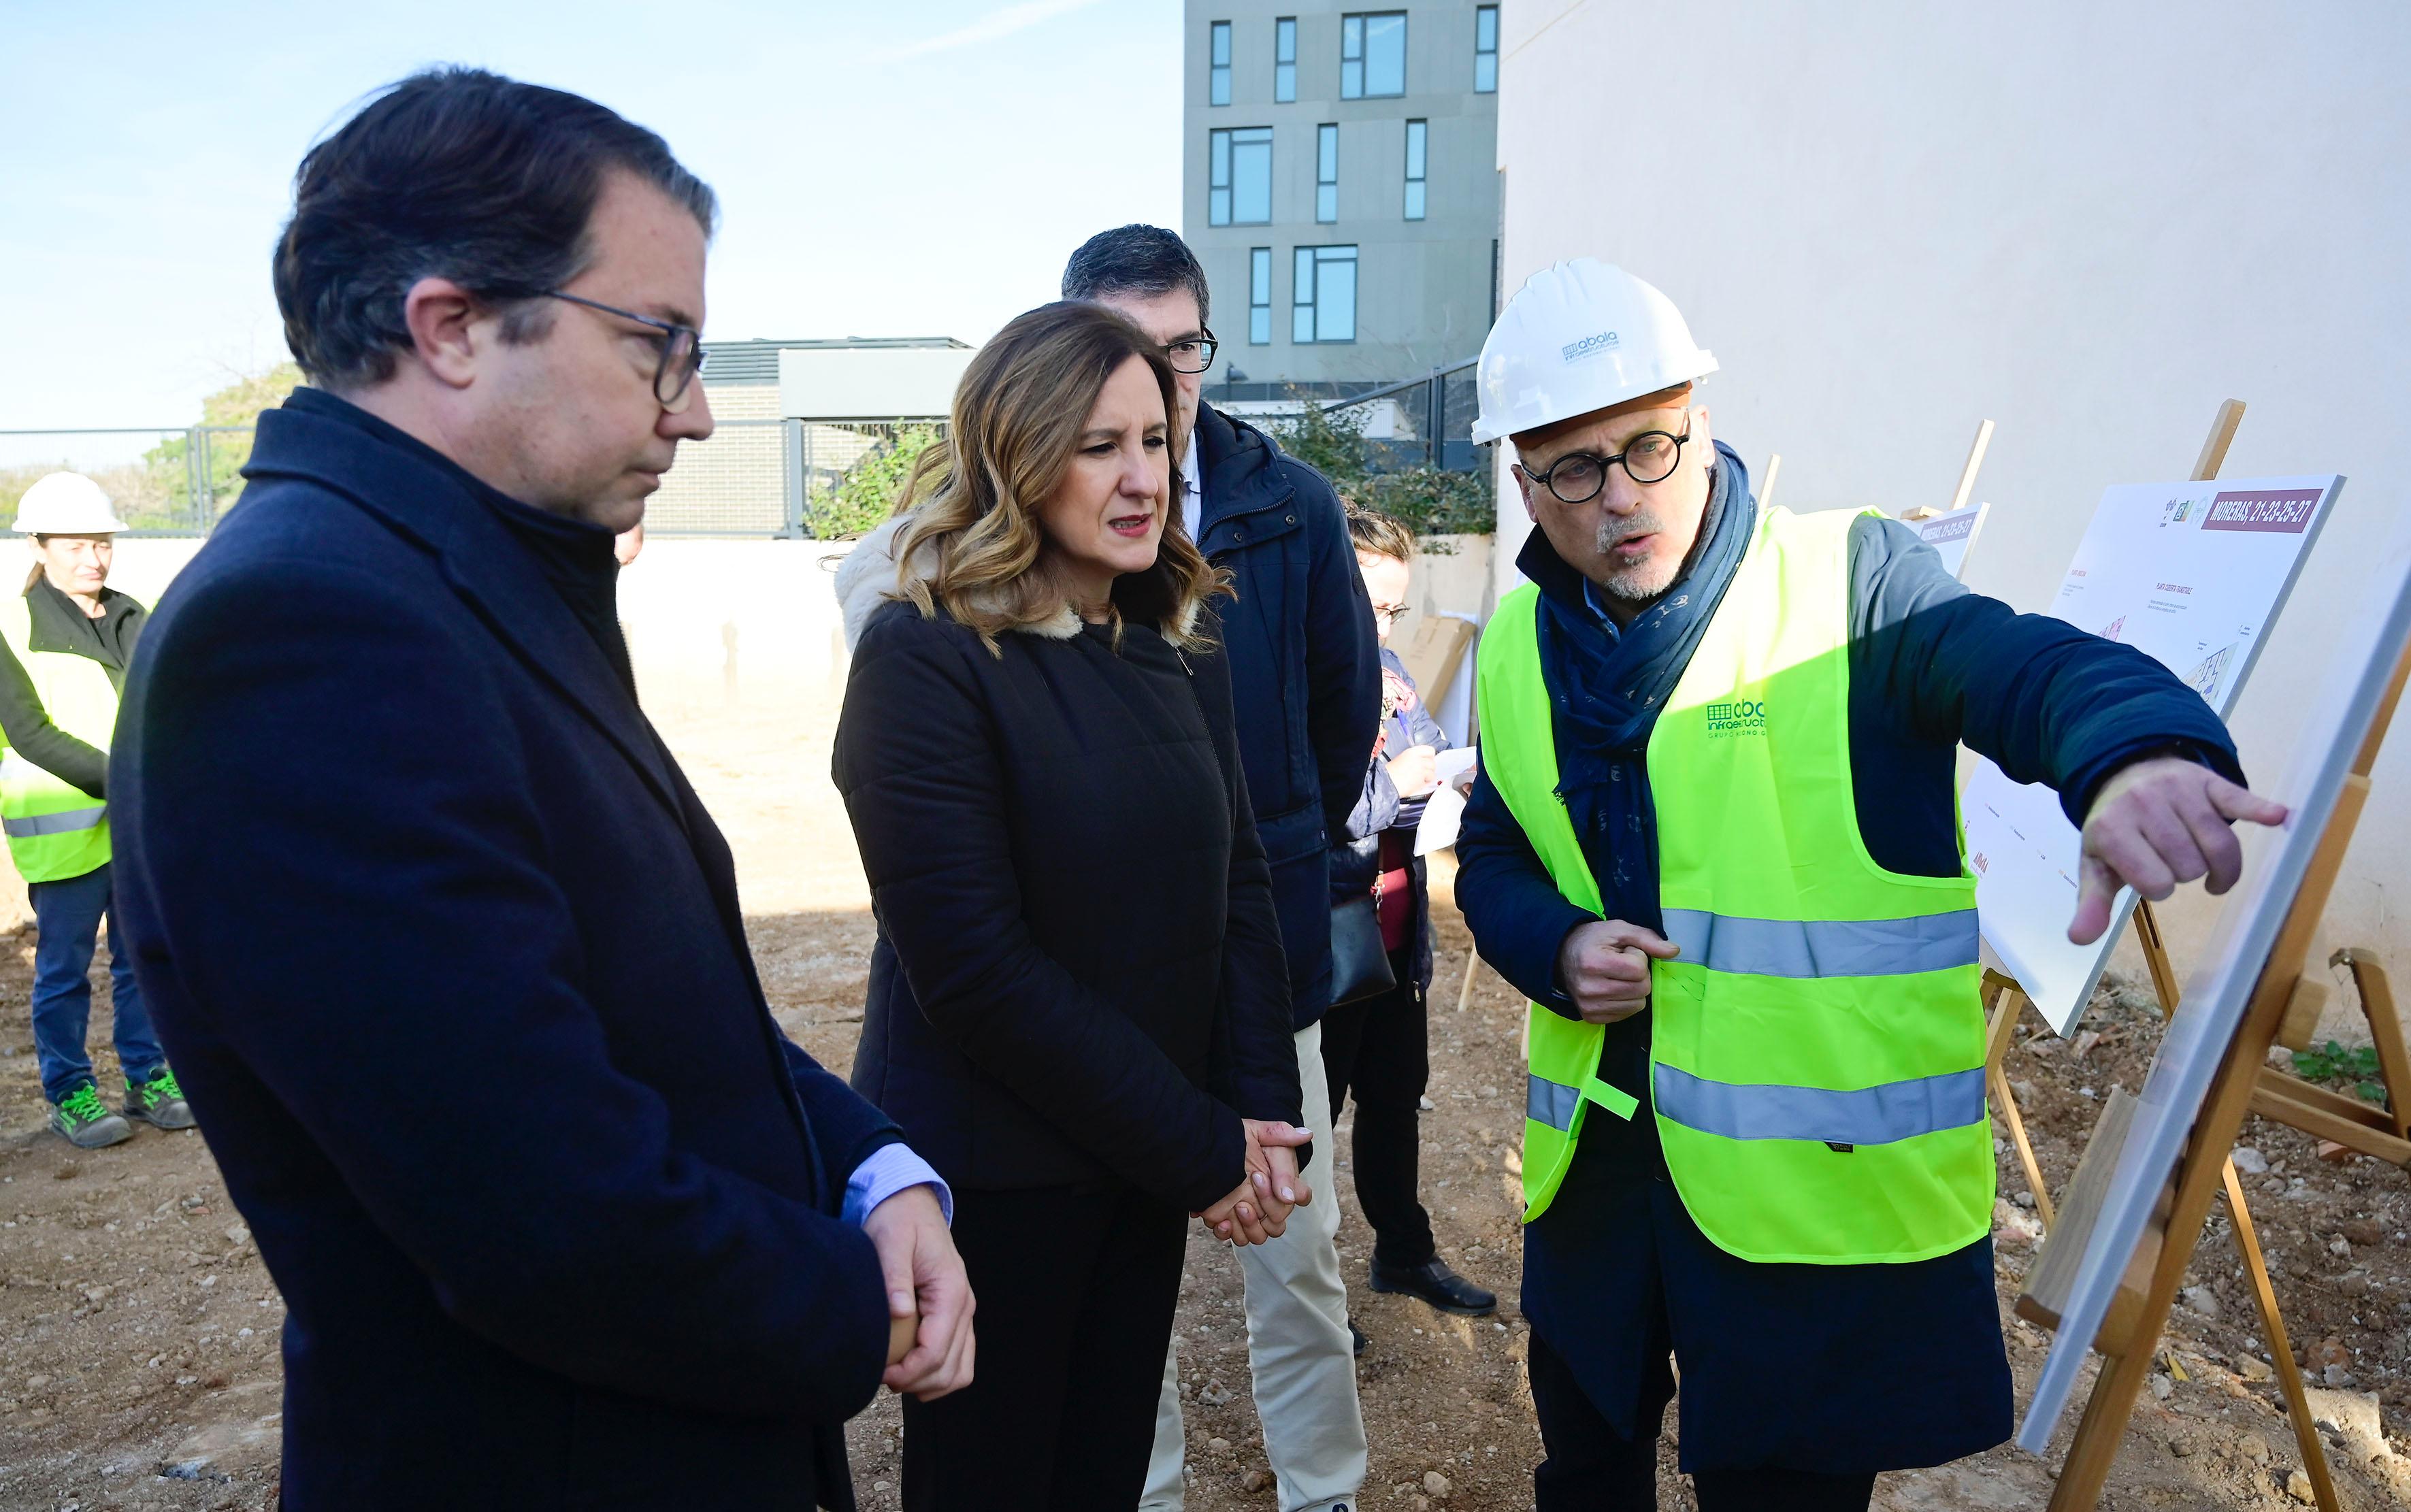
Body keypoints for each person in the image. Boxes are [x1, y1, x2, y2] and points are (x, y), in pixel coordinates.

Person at [108, 69, 970, 1508]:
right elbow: (543, 1211)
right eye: (658, 345)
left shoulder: (458, 585)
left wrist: (875, 1170)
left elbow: (652, 1012)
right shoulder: (311, 632)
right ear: (450, 327)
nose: (695, 413)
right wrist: (856, 1301)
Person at [1456, 260, 2285, 1511]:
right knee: (1585, 1465)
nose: (1619, 495)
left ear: (1701, 427)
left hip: (1801, 1203)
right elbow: (1494, 847)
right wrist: (1556, 944)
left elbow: (2013, 662)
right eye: (1573, 469)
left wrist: (2130, 749)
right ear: (1523, 483)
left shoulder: (1849, 582)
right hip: (1599, 1180)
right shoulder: (1520, 640)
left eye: (1648, 447)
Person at [831, 299, 1309, 1511]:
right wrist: (1200, 1145)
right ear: (1018, 455)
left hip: (1138, 1161)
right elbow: (975, 973)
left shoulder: (1174, 637)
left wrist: (1259, 1106)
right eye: (1100, 447)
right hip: (995, 1179)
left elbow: (1239, 881)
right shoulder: (922, 656)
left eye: (1153, 440)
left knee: (1101, 1474)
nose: (1142, 477)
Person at [1063, 223, 1379, 1512]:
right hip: (1107, 960)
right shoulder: (1040, 510)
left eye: (1183, 347)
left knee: (1295, 1249)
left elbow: (1341, 708)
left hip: (1268, 948)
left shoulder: (1289, 502)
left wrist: (1272, 840)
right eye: (1128, 348)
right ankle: (1143, 1491)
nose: (1164, 379)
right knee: (1119, 1250)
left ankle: (1323, 1489)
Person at [1322, 505, 1494, 1319]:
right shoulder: (1292, 681)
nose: (1384, 627)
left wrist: (1452, 777)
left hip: (1395, 933)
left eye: (1395, 608)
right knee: (1310, 1119)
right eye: (1371, 606)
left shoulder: (1390, 669)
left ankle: (1402, 1251)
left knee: (1394, 1100)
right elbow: (1300, 817)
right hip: (1326, 944)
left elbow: (1423, 751)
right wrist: (1396, 784)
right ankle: (1312, 1298)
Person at [0, 472, 189, 1149]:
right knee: (63, 971)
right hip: (65, 830)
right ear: (39, 546)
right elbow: (31, 732)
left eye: (102, 542)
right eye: (77, 545)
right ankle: (69, 1092)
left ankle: (147, 1077)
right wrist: (129, 780)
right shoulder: (12, 627)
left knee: (141, 960)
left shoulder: (133, 614)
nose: (95, 558)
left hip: (135, 826)